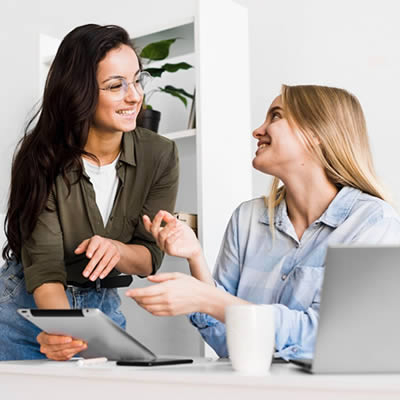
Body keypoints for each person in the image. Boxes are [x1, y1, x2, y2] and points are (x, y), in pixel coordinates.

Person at [126, 84, 400, 360]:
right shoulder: (246, 219)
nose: (257, 131)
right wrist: (195, 257)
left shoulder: (372, 223)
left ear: (317, 132)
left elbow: (327, 338)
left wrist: (207, 299)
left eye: (276, 116)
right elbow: (227, 343)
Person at [0, 24, 179, 361]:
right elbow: (46, 270)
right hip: (28, 310)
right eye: (115, 85)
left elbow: (148, 257)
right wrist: (61, 330)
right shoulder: (40, 158)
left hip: (102, 308)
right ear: (79, 92)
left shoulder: (160, 155)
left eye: (137, 80)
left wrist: (117, 250)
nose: (134, 96)